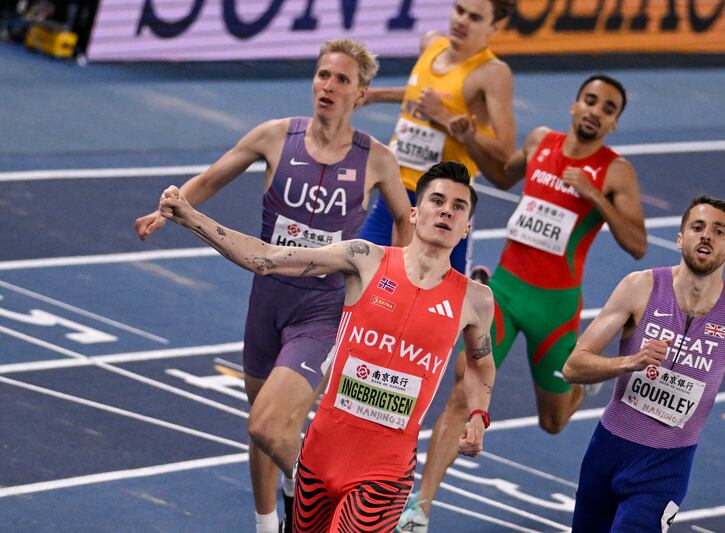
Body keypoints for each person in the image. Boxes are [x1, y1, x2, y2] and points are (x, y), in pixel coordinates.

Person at [134, 39, 413, 533]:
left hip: (323, 310)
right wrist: (166, 210)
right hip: (265, 302)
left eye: (342, 80)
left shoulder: (378, 160)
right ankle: (270, 523)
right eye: (323, 74)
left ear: (362, 94)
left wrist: (398, 283)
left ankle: (326, 498)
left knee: (267, 423)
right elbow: (214, 178)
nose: (328, 86)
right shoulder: (274, 137)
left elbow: (403, 221)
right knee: (262, 426)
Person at [158, 160, 496, 532]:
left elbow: (480, 363)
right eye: (437, 200)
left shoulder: (475, 300)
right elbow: (268, 259)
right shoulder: (365, 260)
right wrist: (193, 219)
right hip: (319, 455)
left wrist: (478, 416)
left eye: (458, 206)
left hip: (385, 473)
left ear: (466, 228)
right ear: (414, 213)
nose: (446, 210)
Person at [398, 74, 648, 531]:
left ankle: (581, 387)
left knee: (553, 423)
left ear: (612, 123)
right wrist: (468, 137)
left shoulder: (615, 172)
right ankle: (420, 508)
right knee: (462, 391)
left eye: (607, 108)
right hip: (505, 295)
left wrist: (594, 196)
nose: (595, 111)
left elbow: (637, 243)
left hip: (555, 311)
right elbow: (500, 175)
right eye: (589, 101)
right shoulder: (541, 142)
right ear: (574, 106)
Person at [562, 195, 725, 531]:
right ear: (680, 238)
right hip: (607, 451)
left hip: (665, 467)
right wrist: (631, 361)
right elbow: (574, 366)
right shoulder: (640, 287)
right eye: (698, 227)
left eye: (719, 231)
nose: (706, 235)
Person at [359, 0, 517, 274]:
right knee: (359, 271)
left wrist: (445, 118)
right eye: (459, 10)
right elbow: (419, 93)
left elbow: (505, 149)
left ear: (493, 26)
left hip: (442, 205)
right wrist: (375, 96)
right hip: (395, 191)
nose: (462, 21)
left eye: (475, 18)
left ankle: (477, 283)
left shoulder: (492, 74)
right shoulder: (431, 44)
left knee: (443, 300)